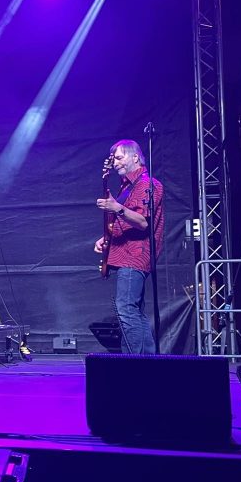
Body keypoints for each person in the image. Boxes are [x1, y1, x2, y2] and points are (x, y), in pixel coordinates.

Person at [94, 139, 164, 354]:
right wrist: (107, 238)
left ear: (135, 157)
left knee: (126, 309)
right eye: (114, 158)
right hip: (126, 254)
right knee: (134, 311)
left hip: (135, 256)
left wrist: (116, 207)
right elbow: (126, 221)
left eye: (119, 157)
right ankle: (146, 362)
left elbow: (143, 222)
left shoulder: (147, 184)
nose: (115, 162)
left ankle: (133, 362)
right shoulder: (128, 186)